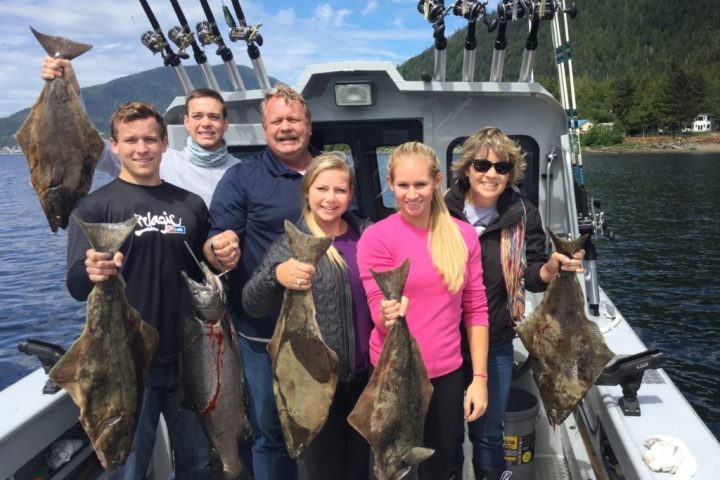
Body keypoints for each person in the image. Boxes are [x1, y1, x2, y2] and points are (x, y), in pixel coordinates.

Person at [65, 101, 211, 480]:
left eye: (150, 139)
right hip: (126, 363)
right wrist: (92, 270)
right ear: (114, 145)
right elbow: (76, 286)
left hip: (188, 356)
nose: (141, 148)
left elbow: (205, 273)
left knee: (198, 462)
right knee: (128, 467)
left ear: (165, 144)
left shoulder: (190, 205)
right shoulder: (94, 208)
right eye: (131, 140)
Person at [444, 127, 586, 480]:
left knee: (490, 433)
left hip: (495, 340)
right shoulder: (440, 210)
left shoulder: (523, 213)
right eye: (481, 164)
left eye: (502, 167)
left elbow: (531, 273)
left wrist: (552, 267)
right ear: (466, 169)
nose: (491, 174)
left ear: (511, 173)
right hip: (442, 344)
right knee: (445, 436)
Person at [356, 141, 490, 480]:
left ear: (437, 182)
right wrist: (386, 314)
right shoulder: (376, 238)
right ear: (390, 184)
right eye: (403, 185)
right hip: (390, 375)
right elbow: (375, 303)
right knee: (390, 466)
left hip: (446, 373)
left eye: (421, 184)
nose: (412, 194)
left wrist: (479, 379)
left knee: (442, 464)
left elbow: (475, 308)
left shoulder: (462, 236)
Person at [203, 83, 317, 479]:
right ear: (264, 128)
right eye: (277, 121)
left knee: (323, 422)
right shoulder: (241, 179)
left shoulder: (331, 174)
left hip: (322, 332)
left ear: (309, 125)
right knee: (270, 430)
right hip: (259, 334)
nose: (286, 127)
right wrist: (219, 248)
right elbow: (217, 239)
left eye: (294, 119)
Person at [241, 152, 372, 480]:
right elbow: (251, 302)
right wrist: (277, 276)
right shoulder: (291, 244)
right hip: (312, 385)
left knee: (361, 471)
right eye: (321, 188)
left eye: (340, 190)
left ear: (351, 194)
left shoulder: (367, 235)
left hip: (365, 381)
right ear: (307, 192)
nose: (330, 198)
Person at [41, 56, 239, 206]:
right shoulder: (156, 160)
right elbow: (91, 150)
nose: (205, 123)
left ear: (226, 123)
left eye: (214, 117)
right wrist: (71, 90)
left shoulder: (244, 173)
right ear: (186, 122)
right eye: (197, 116)